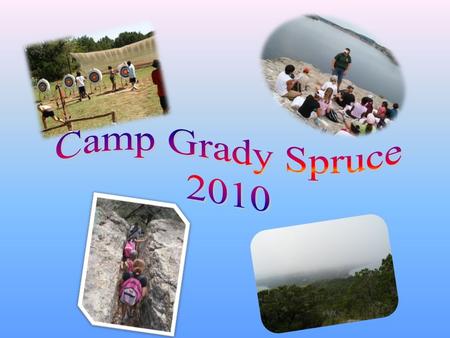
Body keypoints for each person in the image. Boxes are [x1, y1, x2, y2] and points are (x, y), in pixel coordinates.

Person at [120, 259, 148, 323]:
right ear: (142, 268)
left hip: (125, 294)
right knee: (133, 301)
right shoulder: (143, 279)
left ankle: (122, 317)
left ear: (133, 265)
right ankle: (131, 312)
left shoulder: (127, 274)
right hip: (134, 298)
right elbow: (143, 294)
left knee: (124, 303)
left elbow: (122, 284)